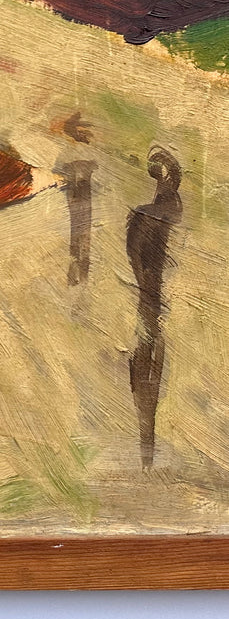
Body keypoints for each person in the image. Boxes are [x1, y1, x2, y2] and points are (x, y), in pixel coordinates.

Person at [126, 146, 182, 469]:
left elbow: (136, 256)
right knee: (147, 359)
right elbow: (139, 259)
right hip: (150, 304)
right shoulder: (152, 216)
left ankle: (146, 443)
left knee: (148, 359)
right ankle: (146, 443)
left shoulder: (147, 216)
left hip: (149, 303)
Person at [54, 111, 96, 286]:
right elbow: (58, 174)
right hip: (78, 195)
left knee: (81, 233)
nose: (85, 134)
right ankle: (78, 274)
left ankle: (78, 274)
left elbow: (58, 173)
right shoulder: (71, 151)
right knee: (80, 233)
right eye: (81, 130)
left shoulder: (70, 152)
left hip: (80, 195)